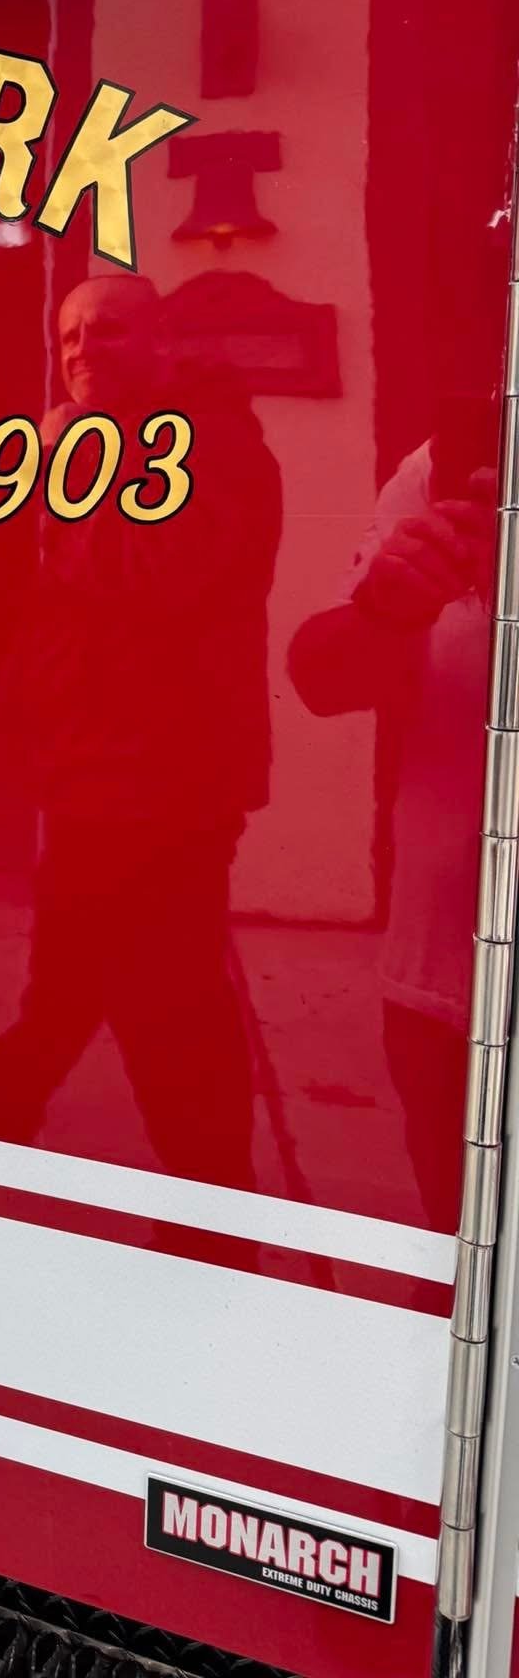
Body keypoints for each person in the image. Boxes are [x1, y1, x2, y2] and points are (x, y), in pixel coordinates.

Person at [0, 275, 282, 1189]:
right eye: (71, 334)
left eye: (110, 333)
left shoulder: (215, 449)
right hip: (91, 764)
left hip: (166, 778)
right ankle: (6, 1108)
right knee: (71, 965)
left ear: (162, 347)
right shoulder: (103, 450)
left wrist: (60, 489)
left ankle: (216, 1213)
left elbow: (157, 584)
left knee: (173, 1003)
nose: (83, 350)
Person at [287, 414, 493, 1226]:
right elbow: (322, 676)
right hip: (446, 978)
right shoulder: (455, 462)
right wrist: (389, 606)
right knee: (454, 1256)